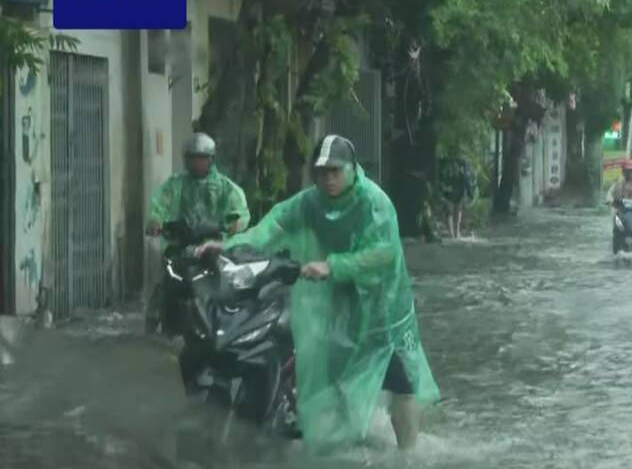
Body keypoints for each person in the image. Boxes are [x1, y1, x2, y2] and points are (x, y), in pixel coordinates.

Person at [196, 135, 440, 451]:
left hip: (384, 308)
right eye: (321, 172)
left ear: (353, 170)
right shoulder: (310, 203)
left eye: (335, 171)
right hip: (342, 302)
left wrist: (332, 265)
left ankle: (407, 456)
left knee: (401, 383)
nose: (328, 179)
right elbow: (271, 226)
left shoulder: (374, 203)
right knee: (337, 372)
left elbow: (383, 254)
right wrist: (229, 247)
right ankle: (348, 441)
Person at [146, 132, 250, 239]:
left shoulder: (226, 187)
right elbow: (161, 203)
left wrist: (234, 225)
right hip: (180, 244)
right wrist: (155, 221)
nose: (197, 163)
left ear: (211, 159)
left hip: (215, 245)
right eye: (192, 158)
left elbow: (240, 213)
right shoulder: (175, 184)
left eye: (202, 158)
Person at [440, 156, 476, 238]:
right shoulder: (447, 173)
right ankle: (452, 234)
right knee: (450, 213)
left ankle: (456, 233)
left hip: (459, 196)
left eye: (457, 166)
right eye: (454, 166)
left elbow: (467, 185)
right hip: (449, 196)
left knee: (457, 214)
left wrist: (470, 196)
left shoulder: (462, 175)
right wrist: (443, 192)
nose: (455, 167)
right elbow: (442, 184)